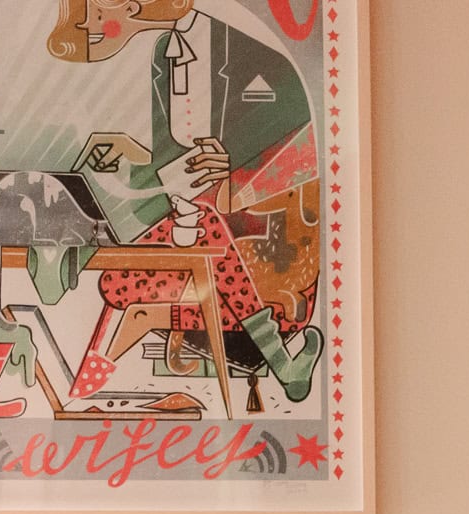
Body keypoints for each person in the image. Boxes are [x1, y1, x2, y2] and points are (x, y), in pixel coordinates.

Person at [46, 0, 325, 402]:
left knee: (195, 232)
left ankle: (79, 387)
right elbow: (177, 161)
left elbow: (307, 132)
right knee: (117, 281)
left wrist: (235, 164)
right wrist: (131, 152)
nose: (89, 25)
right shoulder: (164, 53)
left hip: (263, 237)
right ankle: (283, 365)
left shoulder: (246, 49)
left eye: (95, 11)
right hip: (195, 221)